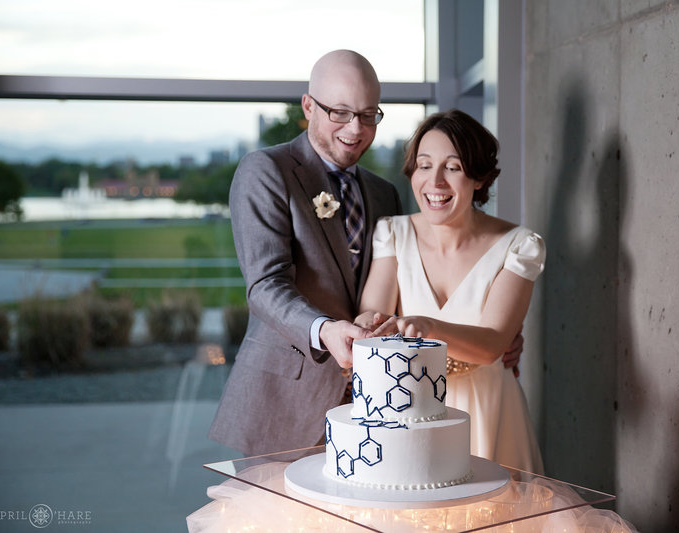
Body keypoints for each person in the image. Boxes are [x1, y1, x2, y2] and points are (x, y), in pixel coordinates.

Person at [208, 50, 402, 456]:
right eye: (341, 112)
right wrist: (326, 330)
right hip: (284, 405)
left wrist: (495, 336)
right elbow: (264, 285)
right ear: (309, 106)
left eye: (369, 115)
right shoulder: (266, 170)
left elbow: (406, 282)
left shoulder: (385, 194)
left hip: (373, 409)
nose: (356, 128)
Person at [356, 109, 545, 473]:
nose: (435, 182)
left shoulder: (519, 245)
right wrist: (371, 321)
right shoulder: (393, 233)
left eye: (453, 168)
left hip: (488, 408)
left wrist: (427, 327)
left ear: (478, 178)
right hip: (408, 407)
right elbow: (370, 315)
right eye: (424, 166)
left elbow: (492, 345)